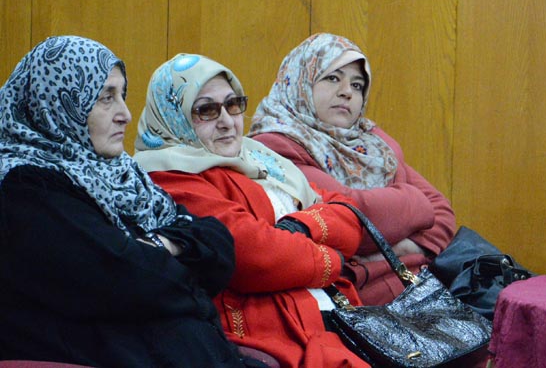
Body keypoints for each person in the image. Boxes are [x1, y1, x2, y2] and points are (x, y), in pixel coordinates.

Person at [0, 36, 245, 367]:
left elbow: (219, 244)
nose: (125, 115)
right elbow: (131, 280)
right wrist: (181, 262)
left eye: (122, 95)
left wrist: (156, 245)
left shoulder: (122, 174)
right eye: (106, 98)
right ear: (56, 104)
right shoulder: (24, 185)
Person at [133, 53, 369, 368]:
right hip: (270, 333)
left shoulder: (258, 158)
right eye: (206, 110)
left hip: (333, 315)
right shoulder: (171, 176)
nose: (227, 121)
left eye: (233, 104)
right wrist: (333, 260)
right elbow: (255, 256)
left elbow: (349, 215)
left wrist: (300, 228)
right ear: (173, 116)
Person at [249, 33, 456, 305]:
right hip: (347, 302)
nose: (347, 91)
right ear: (299, 82)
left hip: (411, 289)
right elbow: (351, 218)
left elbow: (442, 214)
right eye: (333, 78)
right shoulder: (275, 146)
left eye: (357, 85)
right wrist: (413, 203)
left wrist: (403, 246)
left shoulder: (374, 146)